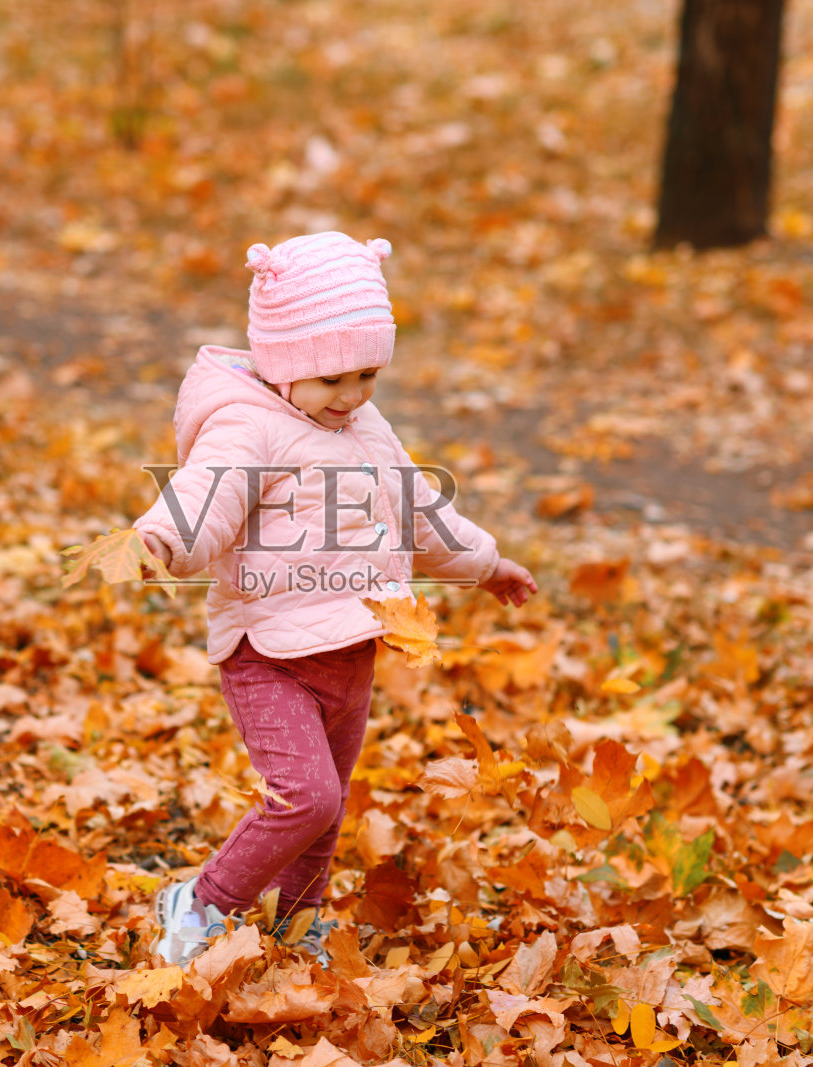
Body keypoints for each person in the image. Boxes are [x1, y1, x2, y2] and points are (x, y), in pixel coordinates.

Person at [133, 231, 538, 965]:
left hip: (350, 650)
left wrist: (484, 562)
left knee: (328, 808)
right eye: (331, 381)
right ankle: (202, 902)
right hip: (270, 652)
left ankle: (298, 919)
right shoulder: (247, 425)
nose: (351, 397)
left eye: (367, 375)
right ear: (284, 365)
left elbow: (418, 510)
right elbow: (206, 493)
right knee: (307, 794)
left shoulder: (363, 425)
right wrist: (165, 537)